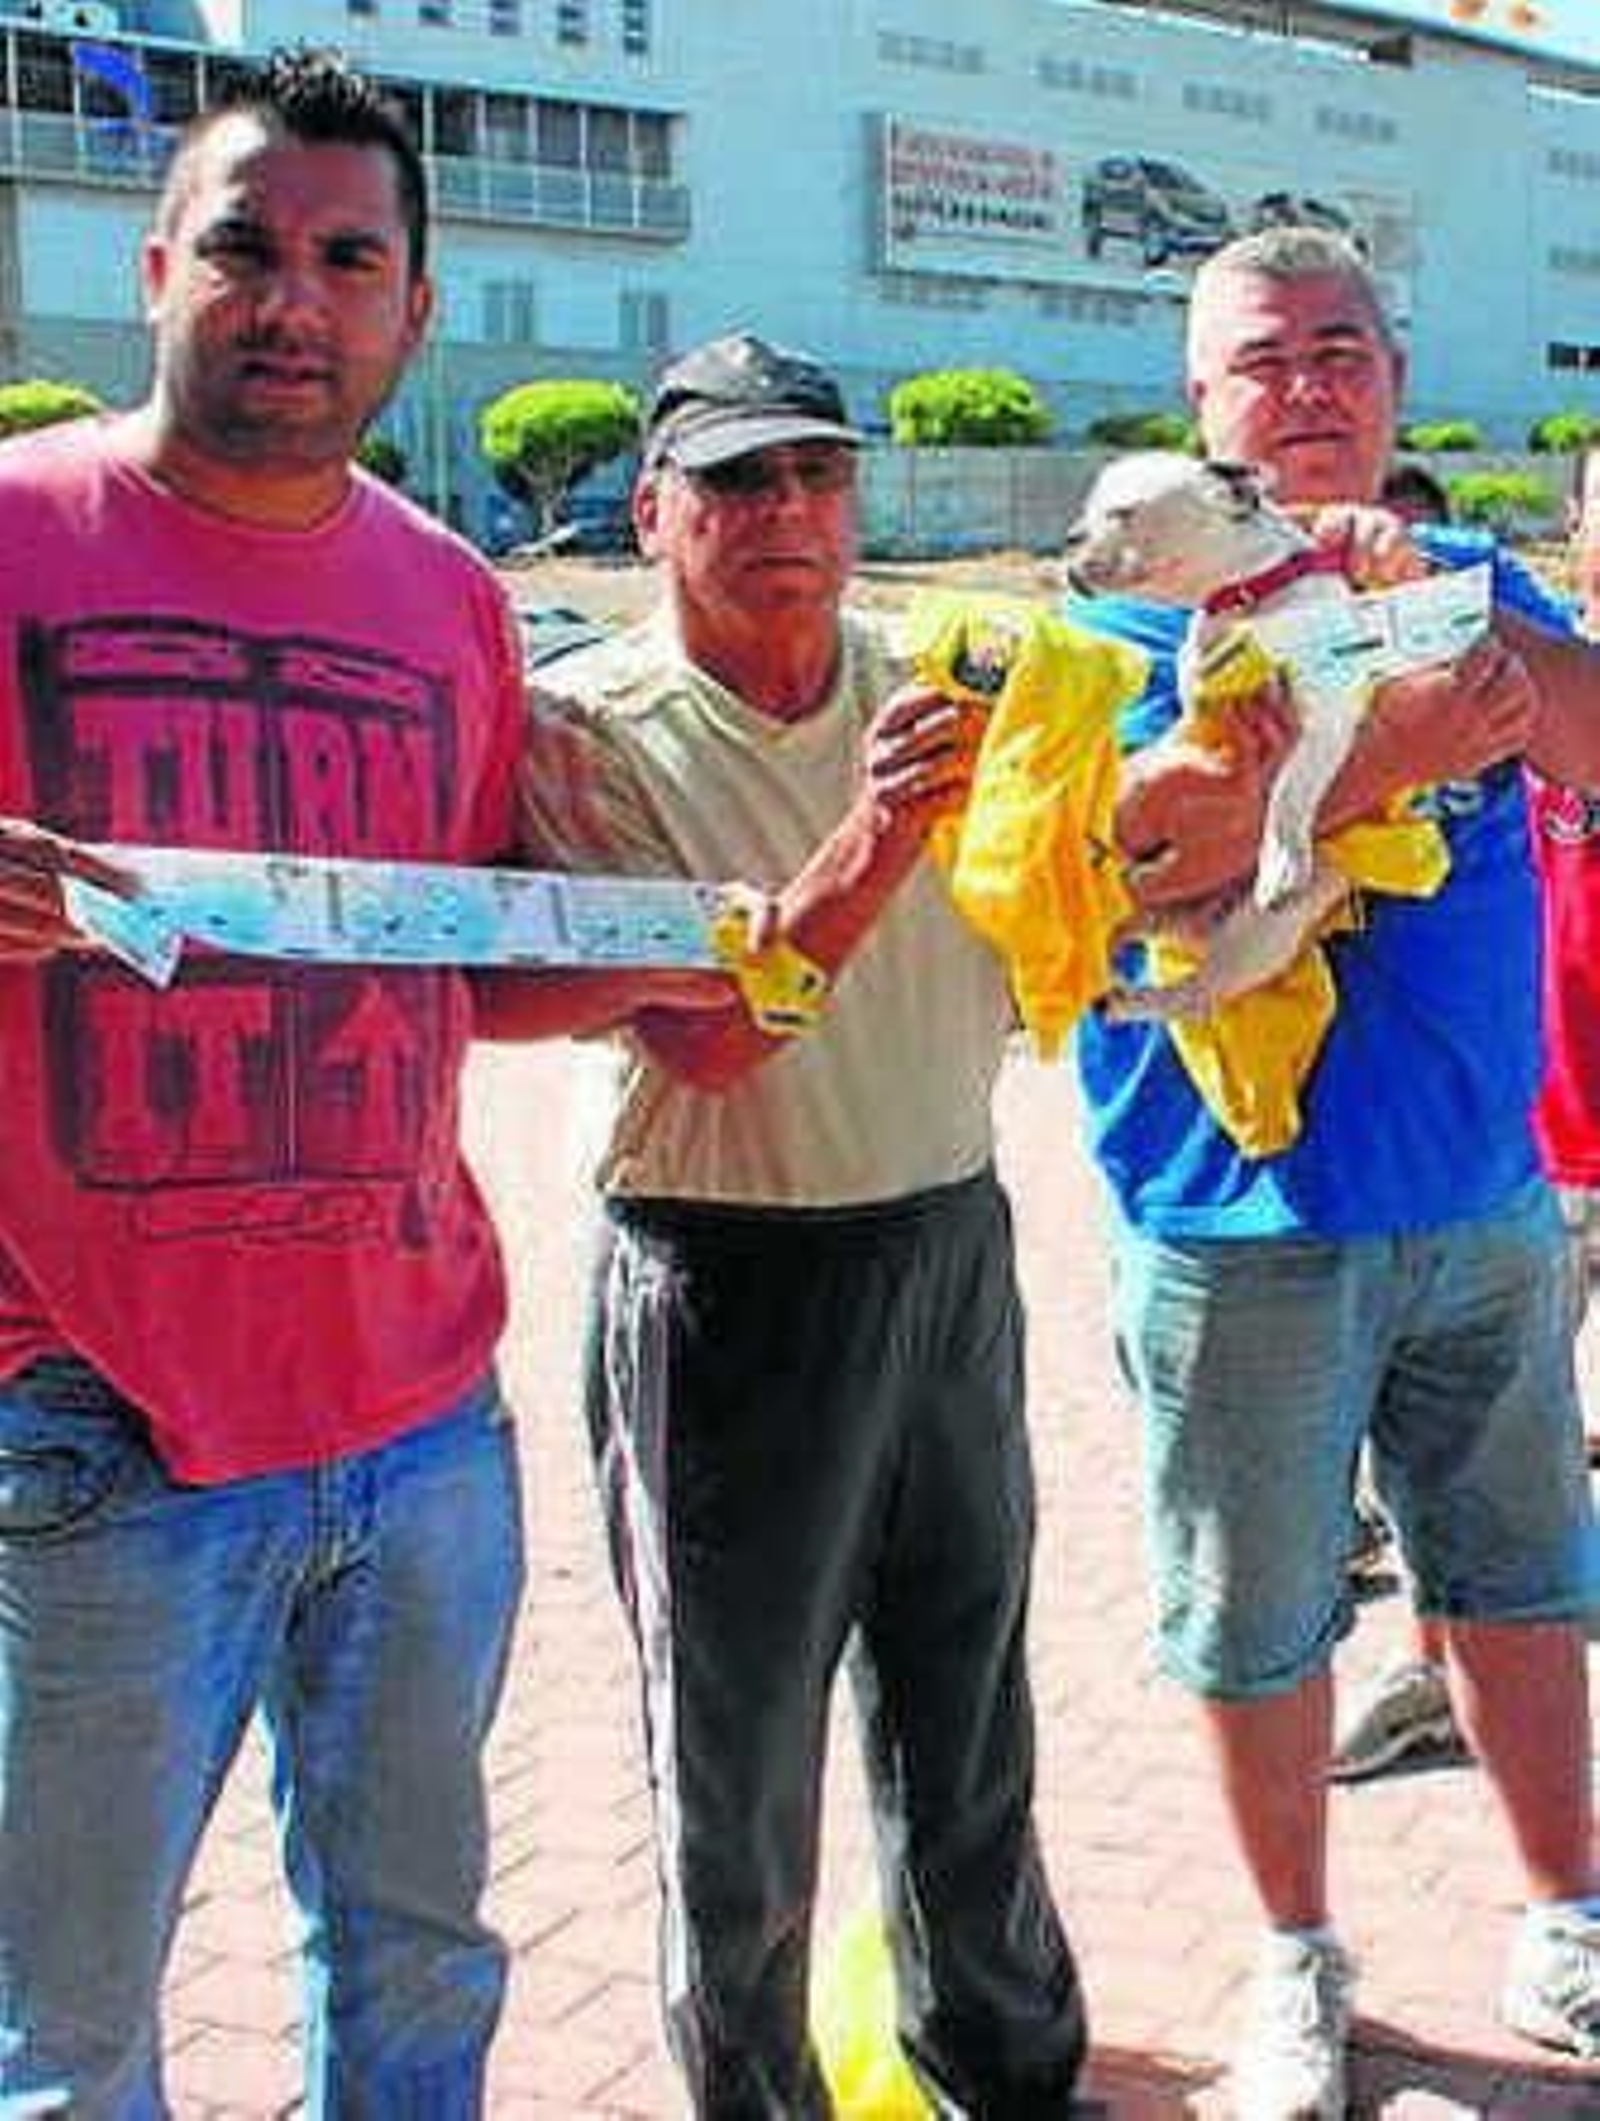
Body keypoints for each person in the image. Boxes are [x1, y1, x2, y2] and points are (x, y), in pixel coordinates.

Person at [0, 50, 726, 2116]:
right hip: (91, 1413)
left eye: (346, 260)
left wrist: (659, 958)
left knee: (419, 1969)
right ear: (155, 267)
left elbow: (456, 971)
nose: (291, 300)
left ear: (413, 308)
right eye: (245, 247)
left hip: (414, 1417)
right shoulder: (16, 533)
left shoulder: (449, 597)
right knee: (65, 2033)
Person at [496, 331, 1089, 2116]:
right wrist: (884, 831)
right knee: (736, 1762)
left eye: (819, 472)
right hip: (726, 1272)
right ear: (652, 511)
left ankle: (1005, 2060)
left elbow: (1108, 872)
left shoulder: (948, 677)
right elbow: (706, 1037)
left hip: (950, 1241)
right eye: (739, 480)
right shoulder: (591, 728)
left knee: (969, 1702)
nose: (788, 511)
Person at [1070, 225, 1600, 2110]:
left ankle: (1567, 1916)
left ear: (1395, 382)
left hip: (1479, 1195)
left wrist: (1453, 624)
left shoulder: (1459, 577)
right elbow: (1151, 863)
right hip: (1237, 1217)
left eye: (1342, 351)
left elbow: (1590, 730)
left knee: (1520, 1577)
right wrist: (1392, 744)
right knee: (1257, 1617)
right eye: (1264, 359)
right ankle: (1296, 1958)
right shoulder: (1124, 616)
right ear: (1200, 402)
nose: (1307, 387)